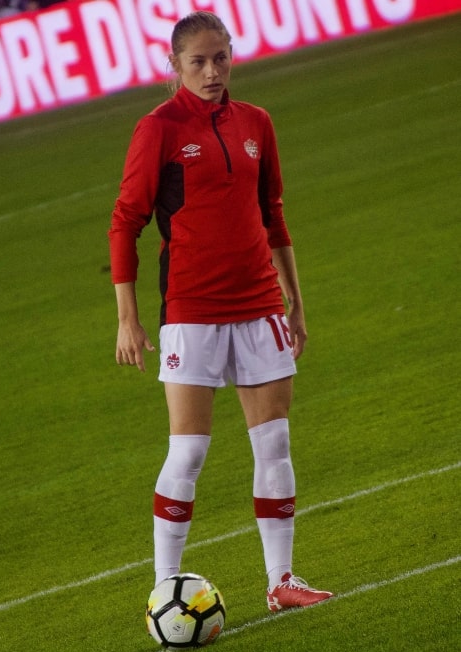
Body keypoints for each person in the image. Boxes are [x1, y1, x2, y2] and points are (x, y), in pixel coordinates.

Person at [108, 11, 332, 611]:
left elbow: (273, 213)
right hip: (191, 308)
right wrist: (128, 318)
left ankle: (281, 581)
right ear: (175, 66)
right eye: (198, 62)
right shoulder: (157, 128)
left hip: (259, 304)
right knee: (189, 451)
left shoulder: (257, 122)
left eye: (220, 59)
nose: (212, 72)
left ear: (232, 56)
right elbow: (124, 222)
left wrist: (296, 301)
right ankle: (164, 586)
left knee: (275, 445)